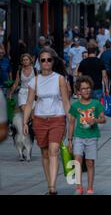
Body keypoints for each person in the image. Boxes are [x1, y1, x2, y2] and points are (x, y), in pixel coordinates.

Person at [23, 48, 71, 195]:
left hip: (57, 118)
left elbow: (66, 102)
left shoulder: (60, 79)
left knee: (53, 151)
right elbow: (29, 103)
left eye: (48, 60)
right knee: (44, 153)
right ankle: (49, 180)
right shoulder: (34, 81)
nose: (46, 63)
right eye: (43, 60)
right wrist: (25, 122)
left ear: (52, 62)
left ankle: (52, 186)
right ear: (39, 62)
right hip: (39, 120)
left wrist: (71, 121)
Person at [68, 76, 106, 195]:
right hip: (78, 137)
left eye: (88, 88)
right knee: (77, 161)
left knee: (90, 163)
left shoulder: (96, 104)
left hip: (92, 137)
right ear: (78, 91)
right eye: (83, 88)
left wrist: (95, 120)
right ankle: (79, 187)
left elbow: (103, 119)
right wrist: (69, 140)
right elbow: (72, 123)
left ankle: (90, 187)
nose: (86, 90)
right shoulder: (75, 106)